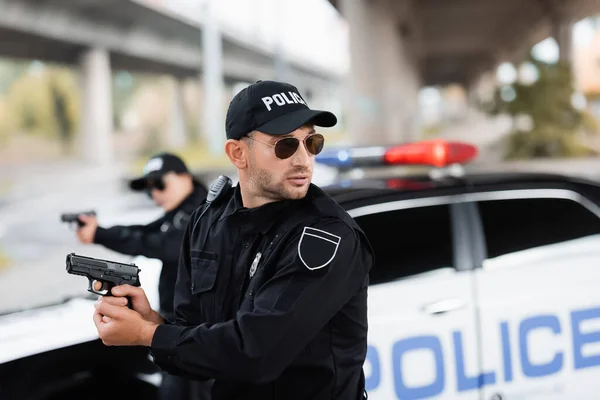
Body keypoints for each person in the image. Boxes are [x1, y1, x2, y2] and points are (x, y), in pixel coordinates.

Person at [91, 80, 375, 400]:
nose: (303, 159)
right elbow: (197, 339)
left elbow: (256, 353)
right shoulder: (206, 222)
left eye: (312, 142)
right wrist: (152, 323)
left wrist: (150, 334)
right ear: (237, 153)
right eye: (285, 145)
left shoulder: (327, 237)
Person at [75, 152, 208, 399]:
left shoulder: (204, 213)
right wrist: (99, 232)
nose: (155, 194)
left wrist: (99, 235)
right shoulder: (181, 212)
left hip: (196, 333)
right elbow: (144, 231)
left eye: (159, 184)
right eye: (148, 189)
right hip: (180, 329)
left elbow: (162, 244)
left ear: (185, 177)